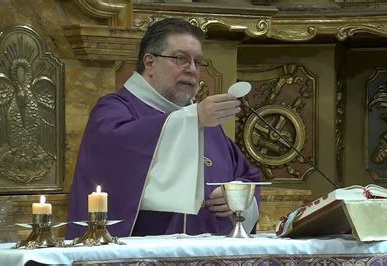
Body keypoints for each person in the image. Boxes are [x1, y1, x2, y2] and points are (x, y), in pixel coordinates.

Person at [66, 18, 262, 238]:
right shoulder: (114, 110)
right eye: (181, 59)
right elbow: (117, 159)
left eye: (198, 62)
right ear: (149, 63)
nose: (192, 70)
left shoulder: (202, 119)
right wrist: (192, 119)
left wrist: (238, 198)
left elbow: (247, 176)